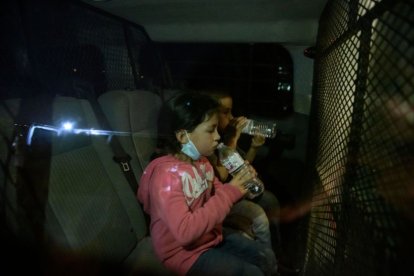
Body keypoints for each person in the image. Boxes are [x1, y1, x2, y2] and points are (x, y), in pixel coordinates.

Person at [137, 92, 278, 276]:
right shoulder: (166, 178)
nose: (218, 136)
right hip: (184, 254)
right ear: (183, 136)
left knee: (265, 256)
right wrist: (230, 192)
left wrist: (241, 186)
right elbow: (185, 232)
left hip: (209, 235)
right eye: (211, 130)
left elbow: (217, 192)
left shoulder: (201, 162)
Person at [206, 89, 300, 275]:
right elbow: (223, 175)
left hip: (236, 188)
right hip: (222, 195)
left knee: (271, 198)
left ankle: (276, 255)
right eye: (226, 112)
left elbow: (240, 166)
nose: (232, 117)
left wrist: (254, 147)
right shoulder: (212, 140)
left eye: (232, 111)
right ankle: (271, 258)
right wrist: (233, 139)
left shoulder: (225, 137)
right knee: (268, 202)